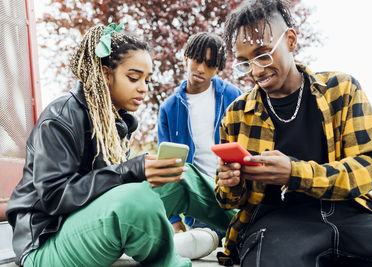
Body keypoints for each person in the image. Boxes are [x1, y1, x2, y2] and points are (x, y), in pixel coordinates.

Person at [6, 24, 233, 267]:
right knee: (135, 200)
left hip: (92, 224)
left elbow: (111, 185)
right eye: (134, 78)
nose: (144, 88)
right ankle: (174, 259)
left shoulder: (117, 121)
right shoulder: (60, 118)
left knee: (179, 175)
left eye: (147, 79)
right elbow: (54, 197)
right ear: (105, 73)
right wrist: (130, 171)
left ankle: (249, 228)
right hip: (47, 241)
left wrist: (145, 171)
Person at [214, 0, 372, 266]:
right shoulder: (237, 114)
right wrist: (230, 183)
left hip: (349, 213)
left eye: (263, 55)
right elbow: (227, 199)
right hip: (276, 221)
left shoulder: (342, 89)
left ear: (290, 40)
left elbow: (371, 166)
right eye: (244, 63)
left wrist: (294, 172)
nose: (255, 71)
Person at [157, 32, 241, 244]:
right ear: (186, 58)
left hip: (234, 194)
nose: (201, 69)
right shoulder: (169, 109)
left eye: (210, 64)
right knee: (200, 240)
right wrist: (175, 221)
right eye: (197, 60)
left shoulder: (233, 97)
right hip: (198, 201)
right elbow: (166, 166)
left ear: (218, 68)